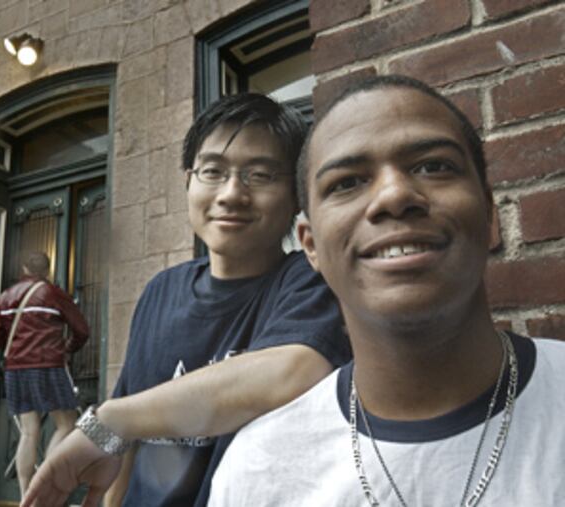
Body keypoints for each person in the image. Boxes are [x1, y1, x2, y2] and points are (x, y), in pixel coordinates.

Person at [209, 75, 565, 505]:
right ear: (310, 244)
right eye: (346, 183)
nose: (395, 195)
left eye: (434, 166)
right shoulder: (258, 471)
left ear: (489, 213)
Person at [21, 94, 351, 507]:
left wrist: (109, 420)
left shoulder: (309, 279)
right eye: (213, 171)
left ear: (296, 197)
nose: (231, 194)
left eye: (261, 175)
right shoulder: (161, 290)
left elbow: (292, 370)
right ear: (188, 182)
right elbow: (127, 443)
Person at [0, 251, 90, 498]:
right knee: (66, 424)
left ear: (24, 267)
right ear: (48, 270)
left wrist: (16, 347)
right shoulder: (53, 293)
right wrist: (67, 347)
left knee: (28, 432)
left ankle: (25, 495)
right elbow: (81, 330)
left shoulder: (5, 297)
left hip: (16, 369)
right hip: (48, 365)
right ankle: (45, 483)